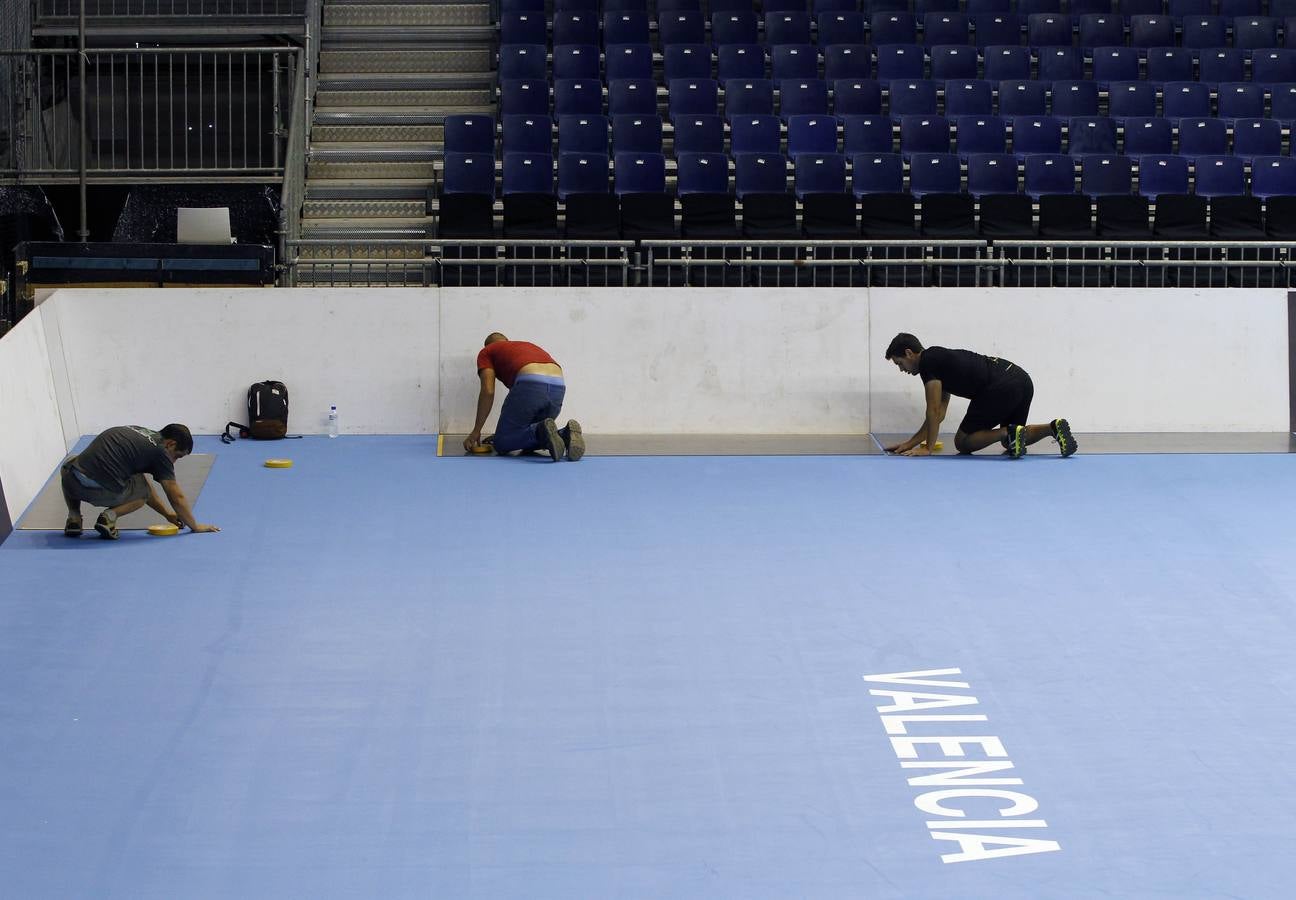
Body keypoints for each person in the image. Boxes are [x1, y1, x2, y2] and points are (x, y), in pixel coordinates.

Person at [883, 333, 1076, 459]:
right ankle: (1052, 428)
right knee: (1012, 439)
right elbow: (939, 413)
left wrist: (927, 449)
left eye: (899, 363)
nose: (902, 370)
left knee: (963, 442)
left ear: (909, 353)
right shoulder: (939, 360)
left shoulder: (927, 363)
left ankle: (1006, 432)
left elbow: (932, 411)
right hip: (1021, 380)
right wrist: (910, 443)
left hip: (998, 385)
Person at [61, 424, 221, 539]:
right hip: (99, 490)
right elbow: (176, 497)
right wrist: (195, 525)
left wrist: (167, 514)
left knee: (70, 463)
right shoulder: (161, 453)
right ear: (171, 444)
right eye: (177, 456)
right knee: (144, 491)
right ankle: (109, 517)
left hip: (72, 482)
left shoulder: (139, 431)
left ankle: (74, 516)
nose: (174, 462)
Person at [464, 333, 585, 461]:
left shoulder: (486, 352)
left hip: (531, 384)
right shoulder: (526, 345)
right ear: (506, 341)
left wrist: (476, 431)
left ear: (487, 346)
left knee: (502, 443)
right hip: (558, 386)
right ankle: (565, 434)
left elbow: (488, 391)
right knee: (529, 439)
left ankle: (539, 431)